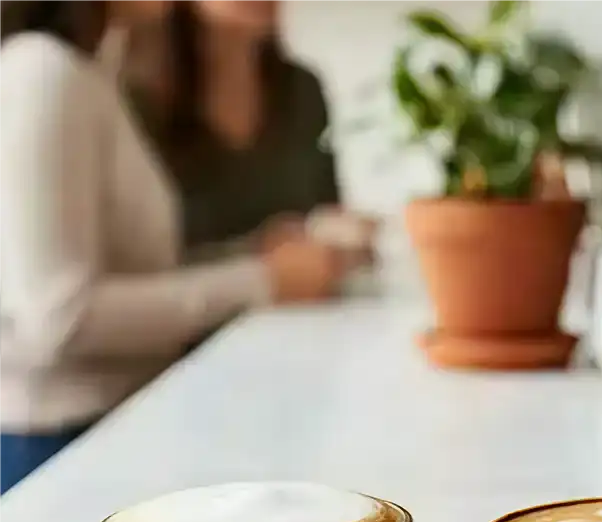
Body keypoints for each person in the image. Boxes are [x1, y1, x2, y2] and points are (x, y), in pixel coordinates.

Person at [0, 0, 348, 494]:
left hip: (111, 429)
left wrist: (254, 254)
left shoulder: (85, 72)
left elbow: (133, 273)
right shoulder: (43, 73)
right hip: (53, 448)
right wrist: (263, 279)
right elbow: (59, 317)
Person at [122, 0, 376, 259]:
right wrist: (260, 258)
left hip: (310, 300)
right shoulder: (135, 105)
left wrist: (344, 235)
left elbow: (326, 212)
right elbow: (133, 267)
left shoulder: (302, 89)